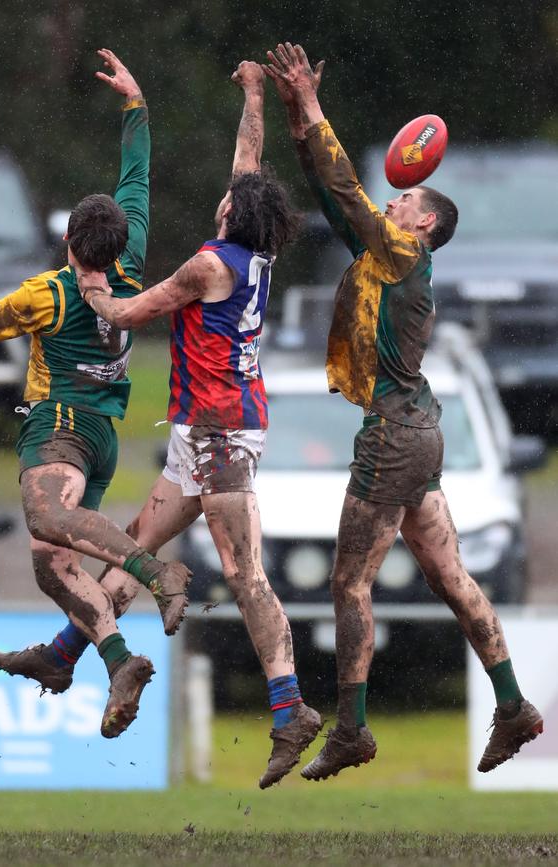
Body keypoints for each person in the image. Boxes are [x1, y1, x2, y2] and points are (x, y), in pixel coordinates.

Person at [0, 60, 322, 789]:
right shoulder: (255, 246)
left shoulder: (208, 264)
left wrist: (94, 287)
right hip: (201, 433)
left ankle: (291, 705)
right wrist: (254, 96)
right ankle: (67, 652)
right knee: (135, 541)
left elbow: (131, 314)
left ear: (233, 216)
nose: (221, 199)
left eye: (228, 200)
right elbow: (249, 165)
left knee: (242, 570)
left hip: (222, 434)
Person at [263, 42, 543, 780]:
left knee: (348, 583)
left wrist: (316, 108)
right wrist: (298, 118)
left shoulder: (404, 256)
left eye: (406, 203)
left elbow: (351, 190)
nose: (394, 203)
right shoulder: (389, 257)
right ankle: (515, 706)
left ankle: (352, 727)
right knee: (451, 578)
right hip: (421, 432)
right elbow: (332, 195)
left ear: (422, 226)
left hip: (392, 434)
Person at [0, 49, 191, 741]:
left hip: (61, 425)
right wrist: (136, 107)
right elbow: (135, 176)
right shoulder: (131, 261)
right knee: (51, 566)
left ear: (70, 240)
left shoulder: (45, 294)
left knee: (44, 517)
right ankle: (109, 659)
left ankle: (151, 569)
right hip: (103, 435)